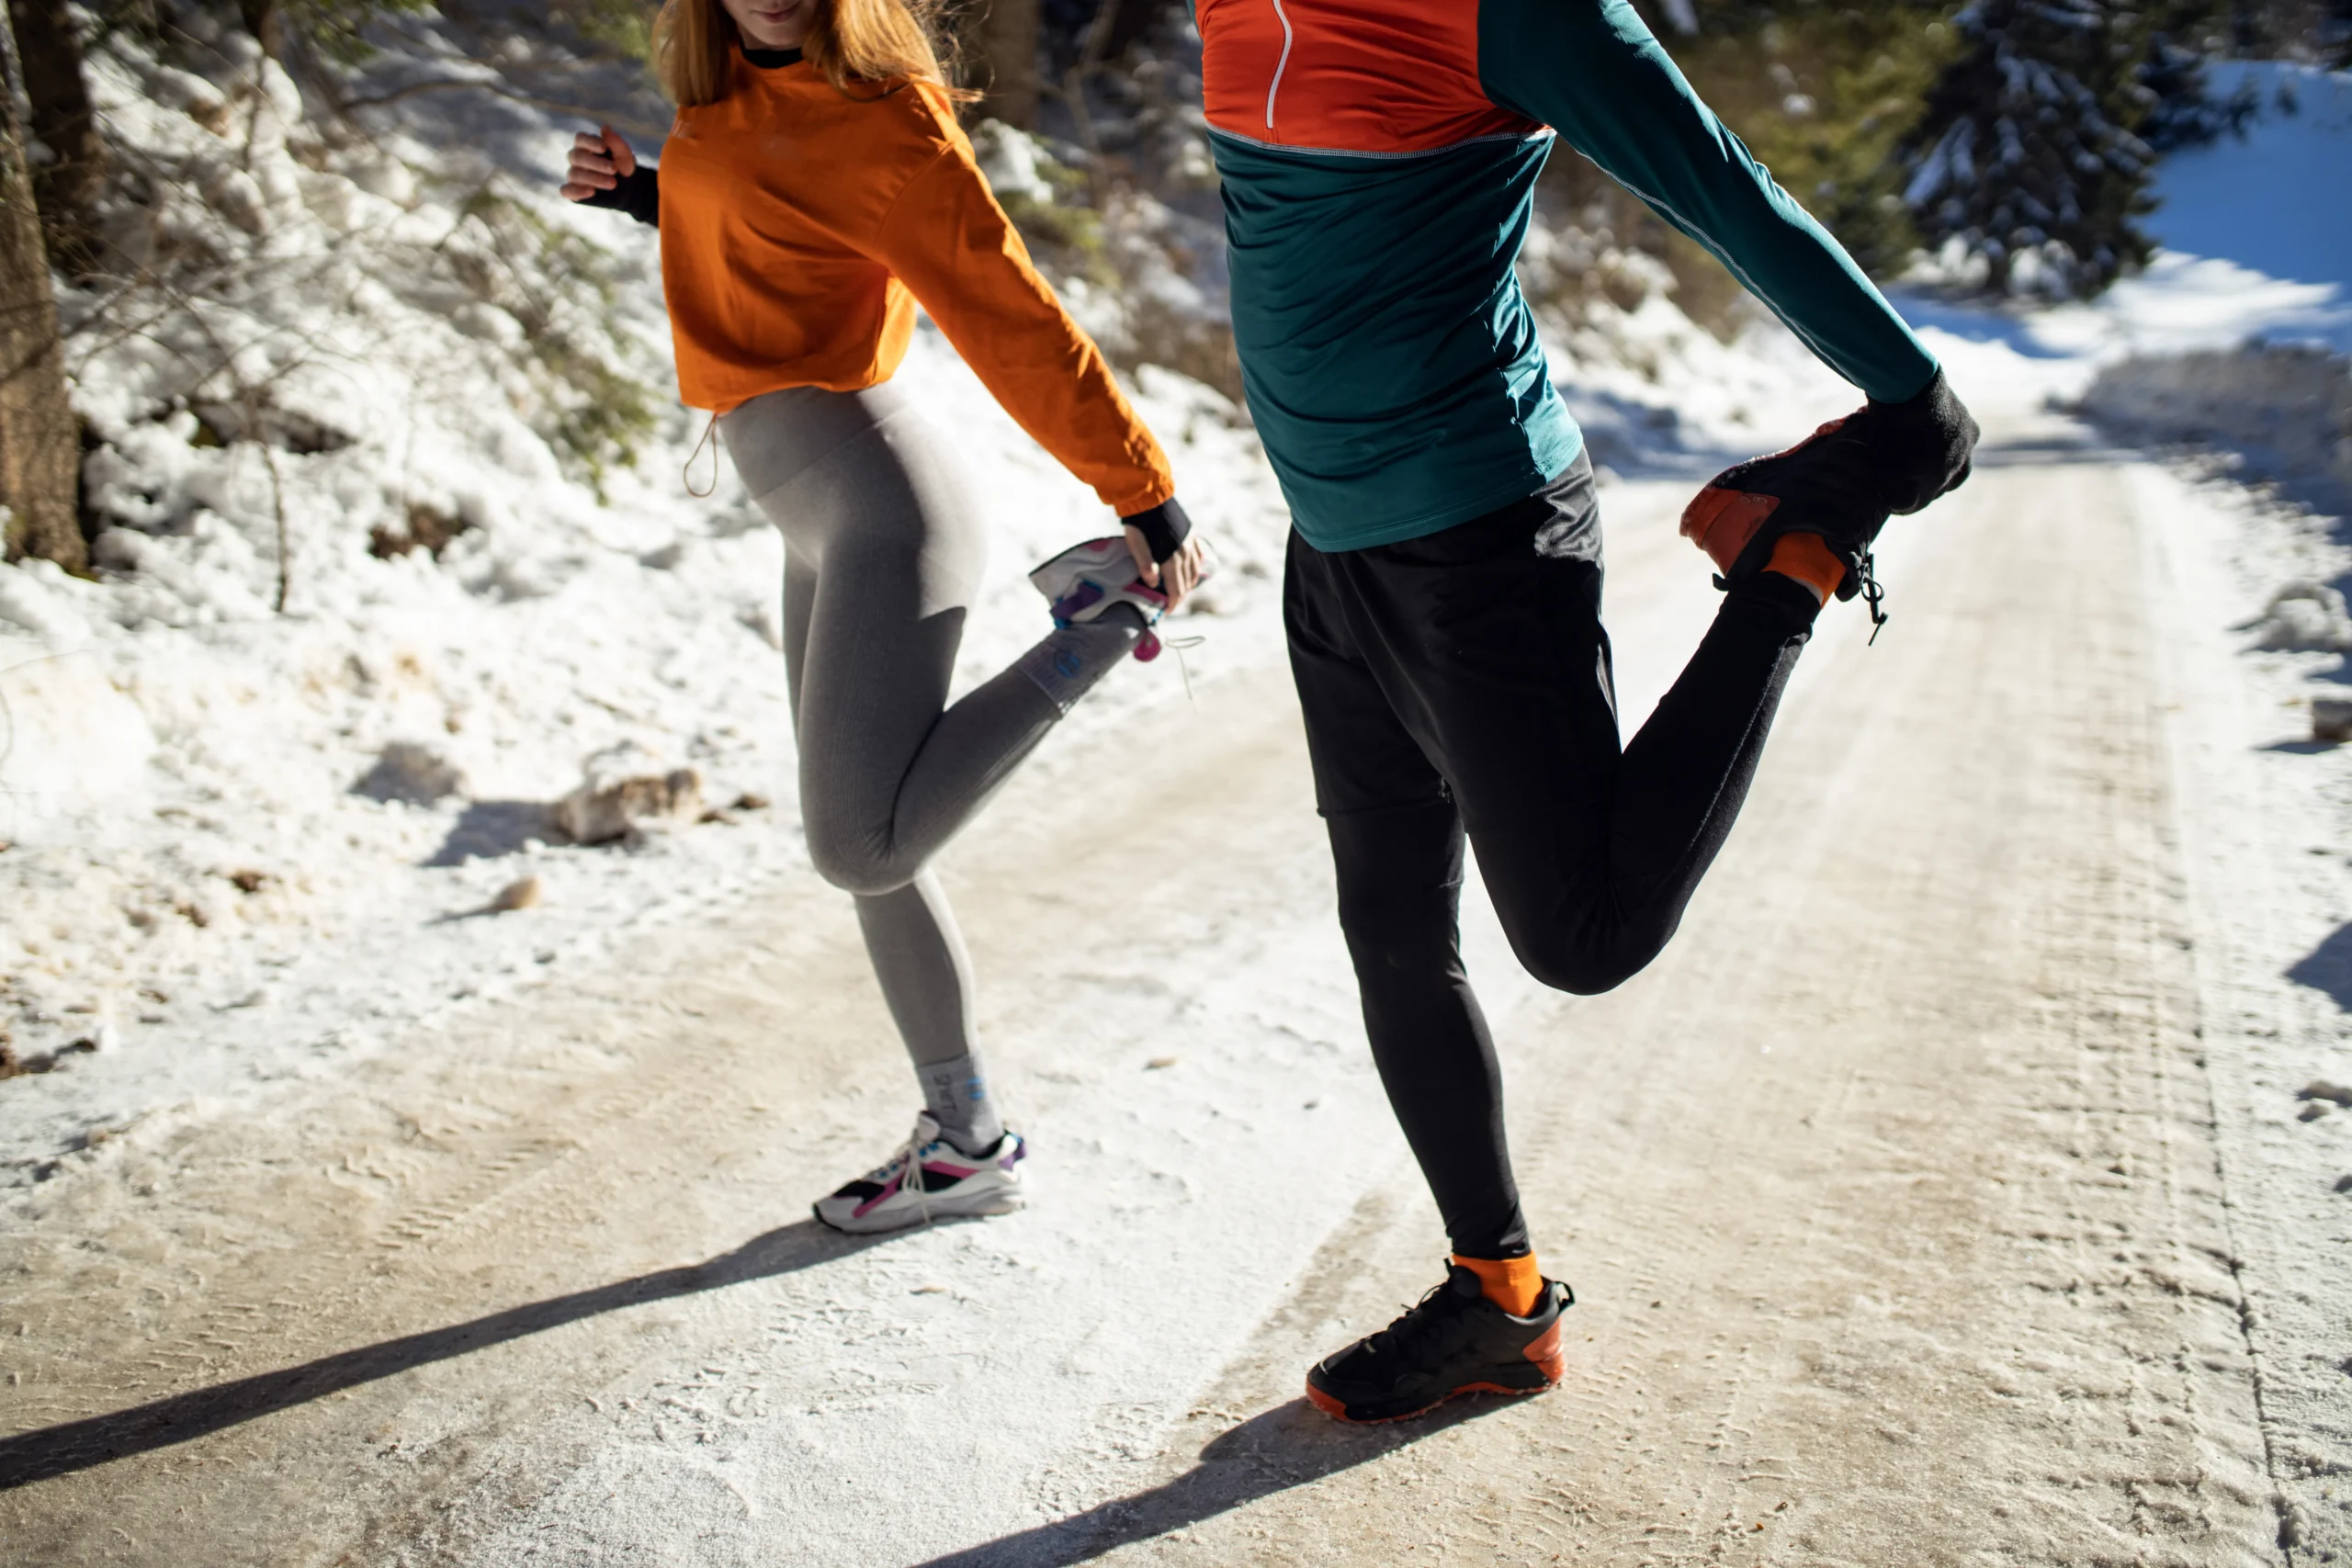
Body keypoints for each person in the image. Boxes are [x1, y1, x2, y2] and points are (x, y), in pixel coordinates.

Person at [1189, 0, 1980, 1422]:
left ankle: (1788, 568)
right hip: (1331, 545)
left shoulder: (1517, 8)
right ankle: (1496, 1297)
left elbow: (1719, 178)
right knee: (1392, 929)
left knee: (1583, 935)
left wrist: (1909, 394)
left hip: (1481, 532)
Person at [561, 0, 1210, 1235]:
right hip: (816, 510)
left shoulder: (888, 120)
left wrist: (1141, 486)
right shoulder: (722, 95)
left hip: (879, 506)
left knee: (862, 843)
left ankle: (1095, 628)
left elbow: (1012, 311)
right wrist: (651, 195)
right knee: (869, 845)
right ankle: (963, 1137)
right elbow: (773, 217)